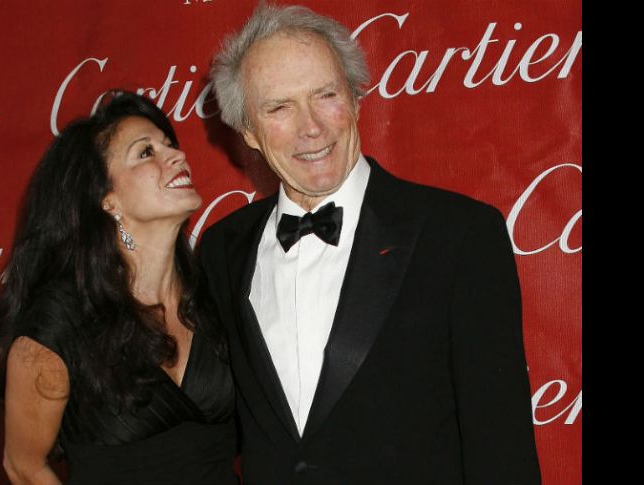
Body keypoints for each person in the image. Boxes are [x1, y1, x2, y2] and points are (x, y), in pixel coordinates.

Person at [199, 4, 542, 484]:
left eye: (326, 95)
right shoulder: (222, 250)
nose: (311, 127)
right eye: (279, 107)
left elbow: (501, 445)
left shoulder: (458, 234)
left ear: (356, 100)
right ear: (249, 133)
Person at [0, 92, 238, 485]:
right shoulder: (59, 326)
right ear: (108, 200)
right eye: (146, 152)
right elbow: (23, 467)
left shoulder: (216, 290)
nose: (177, 156)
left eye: (169, 145)